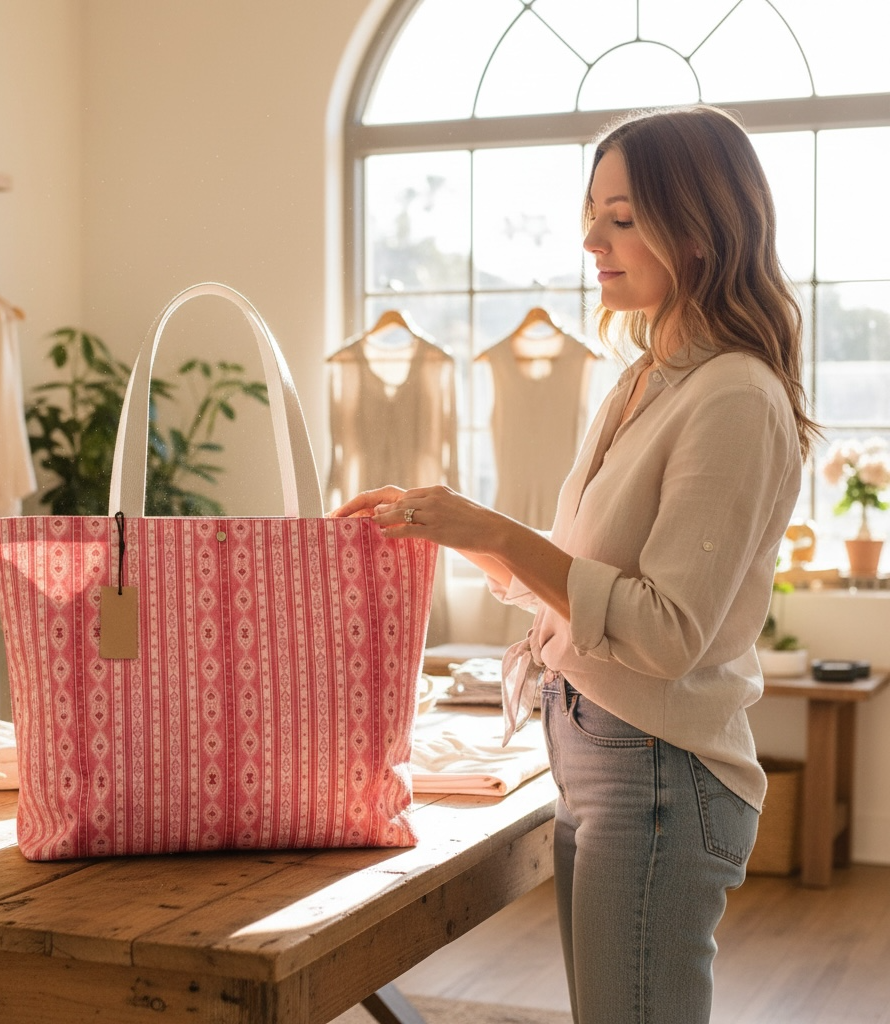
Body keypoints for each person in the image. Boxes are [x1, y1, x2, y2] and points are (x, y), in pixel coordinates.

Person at [329, 104, 820, 1024]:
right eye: (593, 210)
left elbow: (666, 634)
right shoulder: (641, 379)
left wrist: (496, 528)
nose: (591, 236)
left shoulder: (733, 398)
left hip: (659, 772)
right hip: (598, 753)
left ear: (704, 228)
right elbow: (572, 589)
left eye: (623, 217)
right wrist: (445, 526)